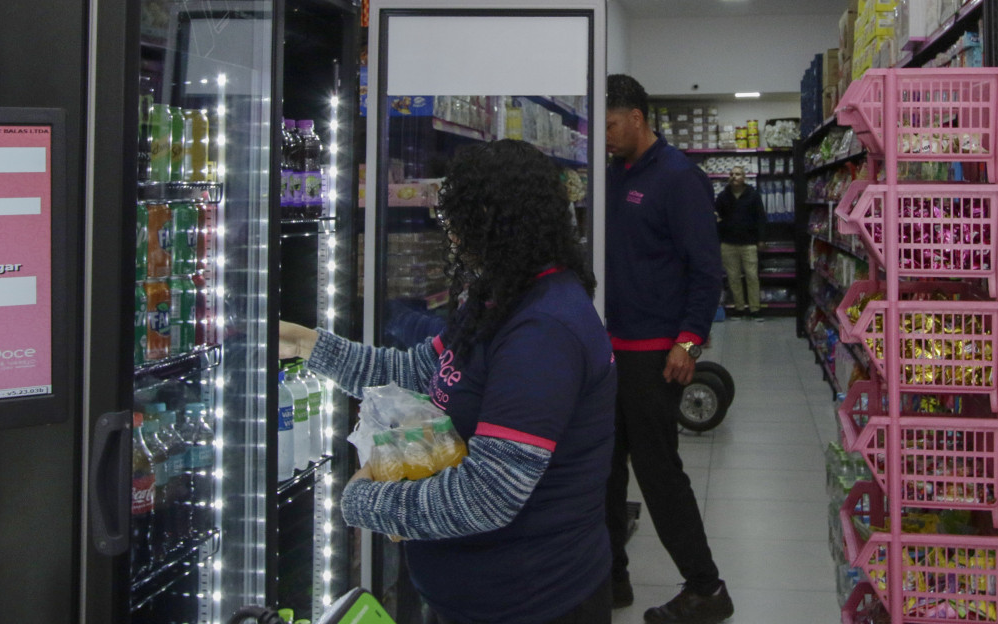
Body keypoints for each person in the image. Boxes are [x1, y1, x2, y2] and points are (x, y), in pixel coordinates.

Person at [279, 139, 616, 624]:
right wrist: (307, 344)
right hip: (474, 594)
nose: (451, 236)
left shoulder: (544, 332)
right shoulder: (501, 298)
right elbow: (415, 373)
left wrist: (365, 501)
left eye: (453, 219)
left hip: (531, 601)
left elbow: (488, 495)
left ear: (490, 219)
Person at [603, 74, 734, 624]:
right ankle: (610, 578)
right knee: (604, 471)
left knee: (658, 473)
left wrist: (688, 339)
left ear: (636, 117)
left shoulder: (680, 177)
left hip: (654, 352)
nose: (605, 135)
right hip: (608, 349)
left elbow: (706, 270)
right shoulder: (613, 174)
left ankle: (706, 588)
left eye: (611, 124)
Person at [715, 165, 766, 321]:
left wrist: (761, 239)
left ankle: (755, 309)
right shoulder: (723, 197)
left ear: (744, 177)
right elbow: (716, 218)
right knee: (733, 278)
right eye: (731, 174)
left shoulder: (753, 195)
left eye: (738, 174)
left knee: (752, 276)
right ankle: (739, 309)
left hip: (749, 244)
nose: (734, 176)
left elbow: (761, 218)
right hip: (728, 244)